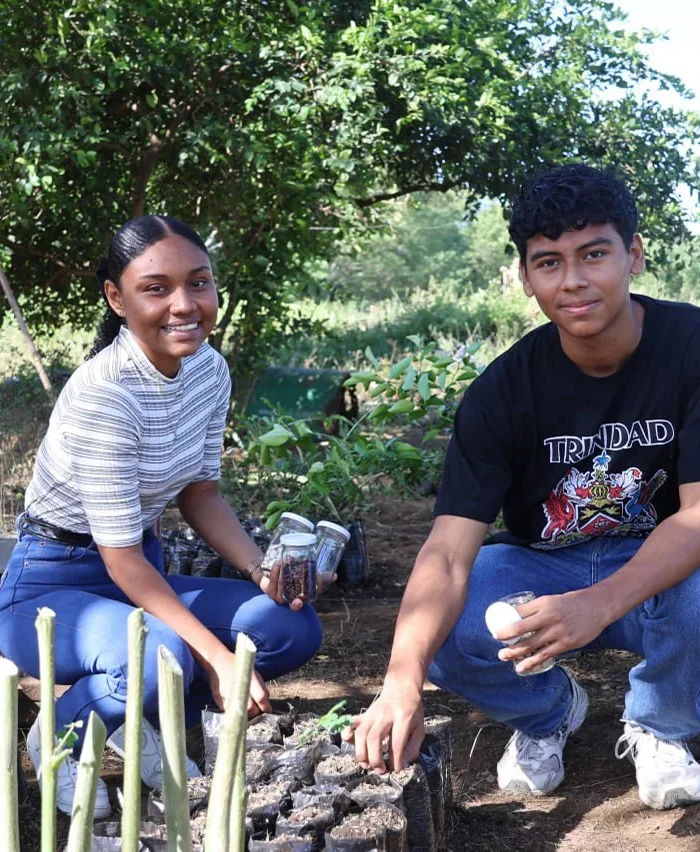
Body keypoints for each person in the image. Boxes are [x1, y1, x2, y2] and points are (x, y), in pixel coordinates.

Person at [348, 164, 700, 811]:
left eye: (594, 254)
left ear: (635, 255)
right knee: (443, 630)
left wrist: (600, 602)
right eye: (548, 262)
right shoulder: (502, 392)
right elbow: (448, 554)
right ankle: (547, 713)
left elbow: (698, 517)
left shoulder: (692, 348)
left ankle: (663, 725)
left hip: (662, 568)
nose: (573, 280)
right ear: (525, 276)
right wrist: (402, 680)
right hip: (546, 566)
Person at [0, 215, 323, 817]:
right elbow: (120, 562)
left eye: (199, 283)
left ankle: (134, 717)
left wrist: (260, 570)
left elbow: (200, 495)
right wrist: (218, 660)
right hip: (51, 587)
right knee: (163, 655)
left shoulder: (208, 370)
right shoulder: (106, 394)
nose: (185, 304)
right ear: (116, 299)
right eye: (156, 288)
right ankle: (61, 737)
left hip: (137, 574)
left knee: (287, 629)